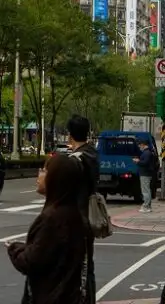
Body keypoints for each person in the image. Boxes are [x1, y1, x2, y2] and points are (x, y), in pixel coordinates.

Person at [7, 153, 92, 304]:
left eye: (45, 170)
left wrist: (14, 249)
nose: (39, 174)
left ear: (56, 179)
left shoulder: (52, 219)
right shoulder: (74, 215)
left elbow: (32, 261)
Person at [67, 115, 99, 303]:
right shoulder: (93, 154)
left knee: (78, 267)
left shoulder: (75, 160)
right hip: (87, 217)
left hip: (76, 220)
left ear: (70, 135)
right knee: (87, 266)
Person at [133, 138, 155, 214]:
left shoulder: (146, 153)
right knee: (147, 190)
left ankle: (146, 206)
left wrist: (138, 161)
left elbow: (145, 163)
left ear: (143, 145)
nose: (139, 147)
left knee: (145, 191)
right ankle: (148, 206)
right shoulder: (149, 152)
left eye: (139, 146)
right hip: (146, 173)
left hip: (145, 174)